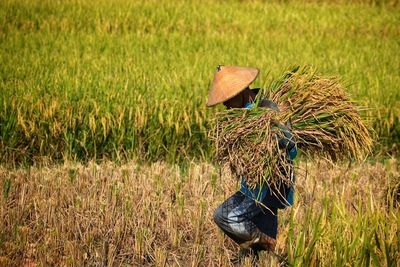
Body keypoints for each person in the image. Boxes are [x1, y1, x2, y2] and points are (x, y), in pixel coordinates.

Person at [206, 65, 297, 260]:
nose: (226, 107)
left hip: (269, 188)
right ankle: (269, 252)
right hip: (252, 187)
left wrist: (274, 140)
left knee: (226, 217)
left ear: (241, 93)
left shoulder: (267, 109)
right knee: (255, 252)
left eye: (228, 100)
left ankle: (272, 246)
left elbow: (292, 146)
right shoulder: (241, 117)